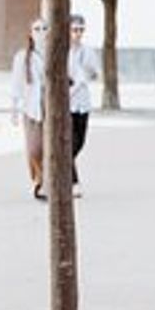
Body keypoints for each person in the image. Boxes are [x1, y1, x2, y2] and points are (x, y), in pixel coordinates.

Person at [9, 19, 47, 200]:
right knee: (34, 148)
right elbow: (16, 84)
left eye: (44, 28)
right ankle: (38, 178)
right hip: (31, 109)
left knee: (50, 148)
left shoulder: (55, 55)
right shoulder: (22, 57)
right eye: (37, 29)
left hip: (51, 109)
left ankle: (45, 182)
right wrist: (14, 109)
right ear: (30, 33)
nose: (41, 32)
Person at [66, 14, 98, 192]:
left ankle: (63, 169)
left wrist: (90, 72)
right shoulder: (64, 52)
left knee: (80, 142)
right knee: (69, 143)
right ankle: (74, 182)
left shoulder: (88, 51)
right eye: (74, 30)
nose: (77, 34)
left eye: (80, 30)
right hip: (68, 102)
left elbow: (94, 74)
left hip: (83, 103)